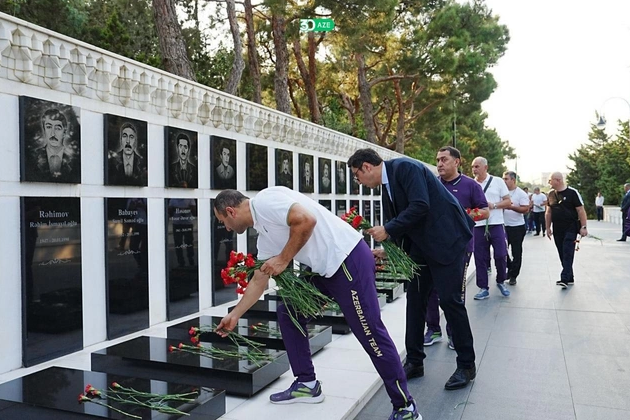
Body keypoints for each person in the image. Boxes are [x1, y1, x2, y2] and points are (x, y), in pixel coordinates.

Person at [213, 187, 420, 420]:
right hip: (326, 270)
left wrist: (283, 259)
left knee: (370, 333)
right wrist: (235, 315)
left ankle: (405, 407)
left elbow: (306, 220)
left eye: (224, 222)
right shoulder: (264, 234)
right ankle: (307, 383)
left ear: (230, 211)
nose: (228, 229)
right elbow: (259, 280)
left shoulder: (265, 201)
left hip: (347, 261)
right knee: (290, 313)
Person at [347, 148, 477, 391]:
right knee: (415, 301)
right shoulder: (386, 185)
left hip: (446, 241)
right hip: (421, 248)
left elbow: (420, 206)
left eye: (357, 176)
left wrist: (388, 229)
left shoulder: (405, 168)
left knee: (450, 302)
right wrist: (390, 249)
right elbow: (405, 220)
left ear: (366, 167)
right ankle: (415, 361)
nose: (359, 182)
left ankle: (466, 365)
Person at [424, 146, 488, 350]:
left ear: (457, 162)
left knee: (453, 292)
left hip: (459, 247)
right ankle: (433, 328)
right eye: (437, 160)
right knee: (430, 289)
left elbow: (485, 212)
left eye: (444, 159)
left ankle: (454, 333)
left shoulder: (471, 186)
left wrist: (463, 217)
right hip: (433, 246)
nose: (439, 164)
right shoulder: (431, 184)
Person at [471, 157, 511, 299]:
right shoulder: (471, 184)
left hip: (496, 224)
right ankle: (483, 287)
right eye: (473, 167)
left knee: (501, 254)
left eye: (477, 166)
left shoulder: (498, 182)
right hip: (478, 226)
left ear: (485, 167)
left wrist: (492, 206)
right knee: (480, 257)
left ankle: (501, 280)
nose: (474, 169)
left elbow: (508, 201)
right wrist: (477, 213)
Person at [545, 172, 587, 288]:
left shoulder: (572, 193)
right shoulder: (551, 194)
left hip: (571, 227)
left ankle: (564, 278)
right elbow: (548, 212)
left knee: (568, 251)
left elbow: (581, 210)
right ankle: (570, 276)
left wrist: (583, 227)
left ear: (558, 180)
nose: (549, 182)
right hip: (557, 228)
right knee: (562, 252)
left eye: (550, 180)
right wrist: (548, 227)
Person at [33, 108, 80, 182]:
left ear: (64, 132)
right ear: (44, 129)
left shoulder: (74, 159)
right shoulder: (34, 157)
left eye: (57, 128)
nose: (53, 134)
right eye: (48, 127)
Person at [502, 171, 530, 286]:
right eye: (503, 179)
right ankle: (510, 268)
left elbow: (525, 209)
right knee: (502, 251)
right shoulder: (502, 193)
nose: (504, 181)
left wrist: (511, 207)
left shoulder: (521, 194)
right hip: (503, 226)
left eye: (506, 179)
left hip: (517, 227)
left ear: (513, 180)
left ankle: (513, 275)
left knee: (516, 252)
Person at [168, 198, 197, 267]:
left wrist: (185, 210)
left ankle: (191, 260)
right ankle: (180, 262)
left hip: (187, 223)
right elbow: (169, 212)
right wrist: (178, 210)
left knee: (189, 242)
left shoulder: (190, 199)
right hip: (177, 223)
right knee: (178, 244)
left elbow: (194, 212)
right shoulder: (173, 199)